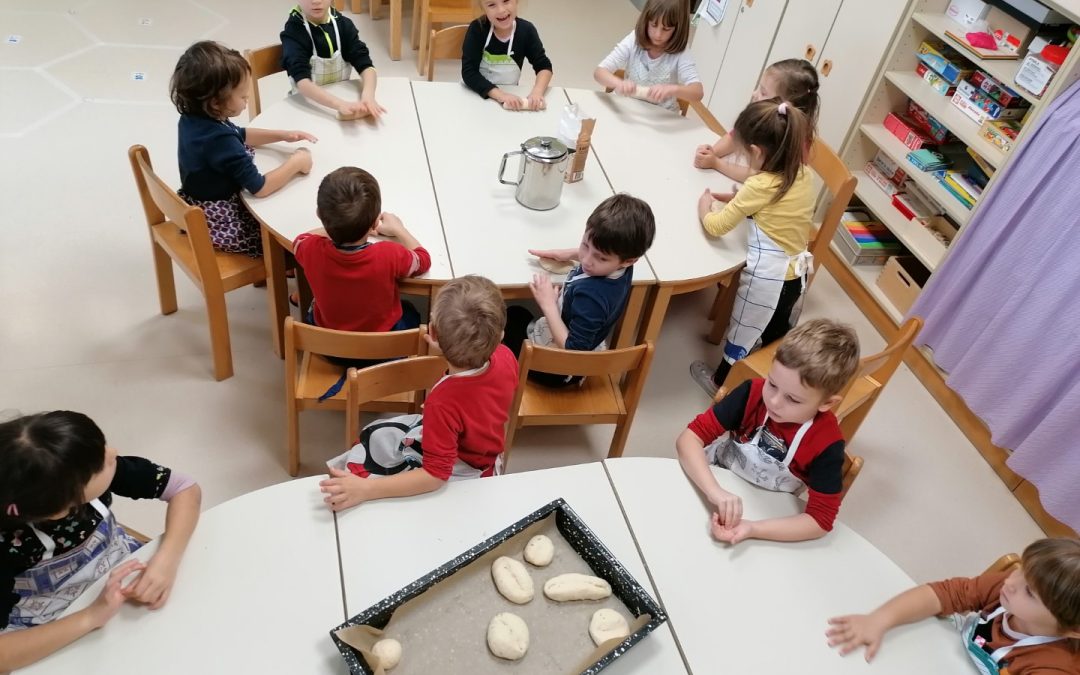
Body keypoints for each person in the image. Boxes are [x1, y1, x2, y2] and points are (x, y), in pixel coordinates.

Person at [0, 411, 201, 672]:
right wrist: (91, 617)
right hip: (51, 627)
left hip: (123, 576)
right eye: (100, 464)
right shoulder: (8, 547)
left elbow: (185, 488)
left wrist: (167, 560)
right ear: (62, 507)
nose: (112, 453)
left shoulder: (71, 468)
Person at [319, 275, 519, 511]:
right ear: (501, 335)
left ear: (432, 333)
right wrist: (446, 349)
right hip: (489, 450)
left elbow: (435, 475)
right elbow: (478, 394)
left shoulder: (442, 402)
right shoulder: (506, 356)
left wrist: (366, 490)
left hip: (464, 469)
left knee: (367, 452)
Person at [676, 319, 859, 545]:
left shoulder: (826, 444)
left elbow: (820, 520)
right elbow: (689, 439)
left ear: (826, 403)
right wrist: (714, 491)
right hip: (710, 480)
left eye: (792, 399)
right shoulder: (751, 394)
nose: (773, 401)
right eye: (772, 384)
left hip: (765, 515)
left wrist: (752, 528)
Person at [689, 98, 814, 397]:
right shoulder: (802, 173)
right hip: (796, 276)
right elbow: (774, 208)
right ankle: (772, 377)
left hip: (767, 280)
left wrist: (705, 207)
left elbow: (717, 227)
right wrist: (737, 200)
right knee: (774, 331)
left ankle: (721, 382)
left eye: (745, 154)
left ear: (758, 152)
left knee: (743, 330)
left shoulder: (759, 186)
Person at [828, 538, 1080, 673]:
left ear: (1072, 630)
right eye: (1022, 569)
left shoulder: (1053, 667)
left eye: (1030, 592)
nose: (1011, 581)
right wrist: (879, 620)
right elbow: (942, 594)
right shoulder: (1005, 589)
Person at [172, 40, 315, 257]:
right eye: (242, 96)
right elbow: (260, 187)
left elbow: (239, 134)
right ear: (215, 102)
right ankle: (279, 271)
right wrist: (296, 163)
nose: (247, 99)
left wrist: (282, 135)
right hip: (220, 220)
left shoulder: (195, 117)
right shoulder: (219, 140)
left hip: (197, 203)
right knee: (286, 240)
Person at [504, 193, 656, 387]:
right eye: (585, 245)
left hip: (559, 370)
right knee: (517, 314)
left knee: (501, 330)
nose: (585, 260)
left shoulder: (591, 298)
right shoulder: (621, 263)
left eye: (600, 258)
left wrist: (548, 305)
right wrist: (568, 253)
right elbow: (597, 253)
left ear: (629, 260)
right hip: (585, 347)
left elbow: (573, 351)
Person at [293, 166, 431, 334]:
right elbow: (423, 260)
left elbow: (300, 239)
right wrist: (398, 229)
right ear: (374, 223)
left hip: (328, 344)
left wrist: (332, 226)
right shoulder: (389, 255)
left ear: (319, 215)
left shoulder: (311, 249)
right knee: (411, 311)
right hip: (384, 350)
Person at [693, 58, 819, 183]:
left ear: (784, 105)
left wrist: (716, 163)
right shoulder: (764, 115)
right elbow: (735, 136)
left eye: (763, 92)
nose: (754, 94)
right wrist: (712, 153)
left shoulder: (788, 139)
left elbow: (759, 177)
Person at [281, 0, 385, 120]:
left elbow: (366, 65)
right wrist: (339, 104)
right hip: (307, 106)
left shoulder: (343, 25)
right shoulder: (293, 32)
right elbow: (302, 82)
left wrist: (368, 97)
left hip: (341, 96)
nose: (316, 1)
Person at [594, 0, 703, 113]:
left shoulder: (681, 51)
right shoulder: (634, 39)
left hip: (661, 114)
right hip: (627, 107)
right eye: (653, 25)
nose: (658, 34)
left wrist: (673, 90)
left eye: (666, 29)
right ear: (646, 21)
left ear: (678, 28)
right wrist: (619, 83)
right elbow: (599, 72)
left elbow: (698, 92)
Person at [461, 0, 552, 110]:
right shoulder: (477, 29)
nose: (501, 10)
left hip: (510, 100)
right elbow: (469, 72)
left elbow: (544, 66)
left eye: (506, 1)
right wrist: (500, 95)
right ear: (483, 9)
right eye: (491, 5)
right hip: (478, 96)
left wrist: (537, 92)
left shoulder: (526, 31)